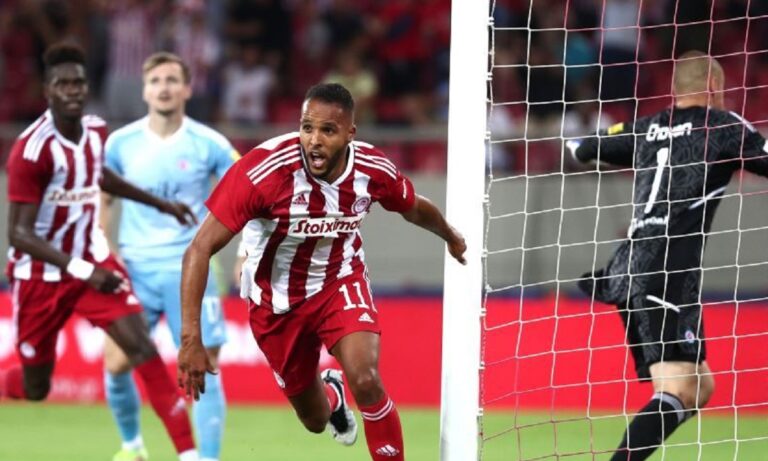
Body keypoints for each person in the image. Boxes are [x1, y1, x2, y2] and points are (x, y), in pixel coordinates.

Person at [177, 83, 467, 461]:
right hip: (275, 301)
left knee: (366, 378)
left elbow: (412, 206)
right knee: (315, 419)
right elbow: (198, 249)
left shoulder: (371, 169)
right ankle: (333, 397)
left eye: (328, 130)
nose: (314, 140)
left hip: (339, 281)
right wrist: (190, 339)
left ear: (350, 134)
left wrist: (449, 234)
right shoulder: (263, 171)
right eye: (307, 127)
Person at [0, 44, 201, 461]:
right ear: (47, 90)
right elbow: (17, 234)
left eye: (78, 82)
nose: (72, 90)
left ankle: (189, 455)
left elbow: (99, 175)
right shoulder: (32, 151)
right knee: (36, 388)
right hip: (40, 277)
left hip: (93, 263)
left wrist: (160, 204)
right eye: (62, 84)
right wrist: (81, 270)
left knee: (142, 348)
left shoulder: (94, 130)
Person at [568, 50, 768, 461]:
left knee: (699, 387)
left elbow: (583, 147)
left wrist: (601, 146)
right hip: (668, 272)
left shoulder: (646, 127)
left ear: (675, 89)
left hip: (629, 268)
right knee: (677, 388)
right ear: (713, 86)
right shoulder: (722, 126)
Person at [102, 52, 239, 461]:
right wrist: (105, 252)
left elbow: (243, 194)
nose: (164, 87)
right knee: (115, 364)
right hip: (135, 269)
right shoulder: (119, 144)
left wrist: (247, 251)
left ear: (187, 89)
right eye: (156, 81)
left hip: (190, 270)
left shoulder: (209, 143)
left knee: (205, 364)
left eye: (172, 80)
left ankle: (207, 458)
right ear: (145, 90)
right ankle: (132, 446)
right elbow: (102, 199)